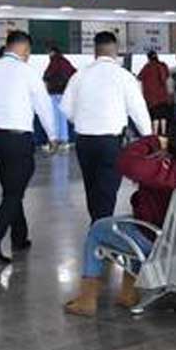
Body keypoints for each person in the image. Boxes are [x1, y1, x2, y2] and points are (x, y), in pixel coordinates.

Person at [63, 117, 176, 317]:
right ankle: (127, 292)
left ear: (171, 142)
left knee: (99, 230)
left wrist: (155, 141)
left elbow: (125, 160)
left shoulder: (163, 171)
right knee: (134, 227)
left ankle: (87, 300)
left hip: (159, 244)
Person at [0, 30, 57, 264]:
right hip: (17, 138)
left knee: (11, 188)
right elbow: (44, 106)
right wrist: (53, 135)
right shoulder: (28, 72)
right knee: (15, 191)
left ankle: (19, 237)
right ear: (25, 50)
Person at [60, 31, 154, 224]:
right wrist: (149, 139)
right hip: (110, 143)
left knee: (92, 188)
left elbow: (66, 109)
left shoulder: (79, 76)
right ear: (116, 50)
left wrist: (83, 120)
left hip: (84, 141)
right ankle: (100, 234)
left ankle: (97, 226)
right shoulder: (124, 76)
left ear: (95, 50)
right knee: (107, 191)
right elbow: (139, 111)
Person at [137, 51, 172, 136]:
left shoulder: (147, 67)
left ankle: (155, 133)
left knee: (155, 116)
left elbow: (139, 77)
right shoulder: (163, 65)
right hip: (163, 96)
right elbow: (168, 79)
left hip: (152, 97)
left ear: (148, 58)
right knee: (163, 115)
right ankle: (163, 132)